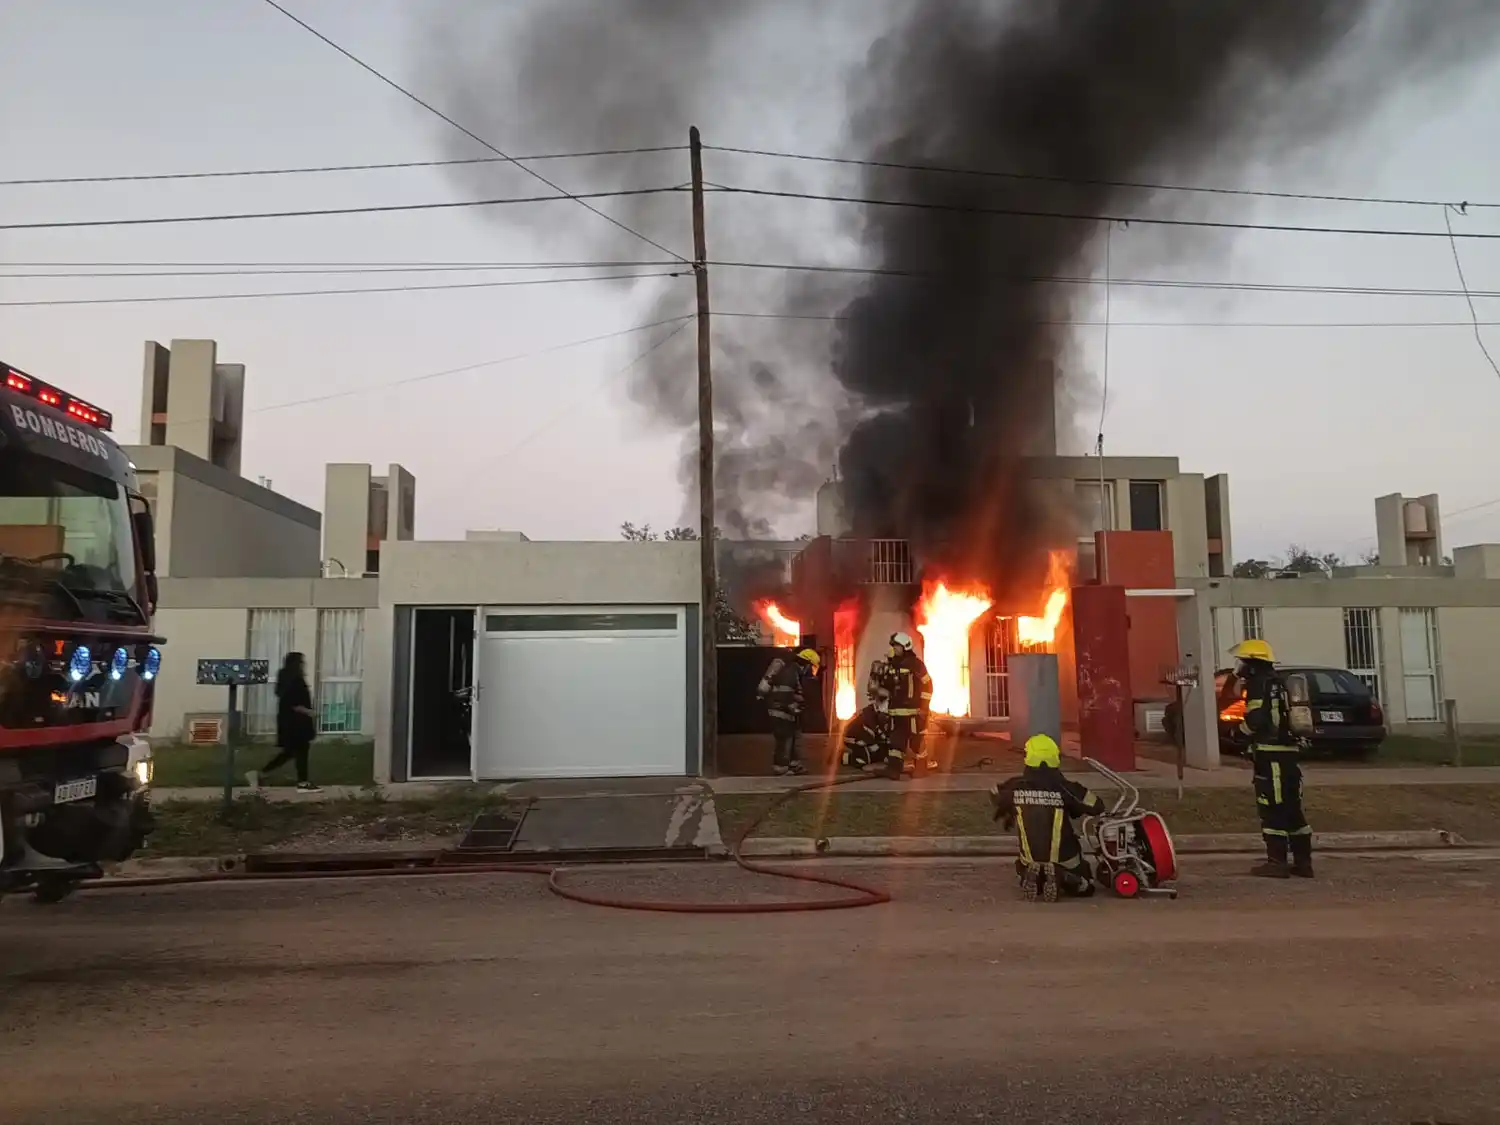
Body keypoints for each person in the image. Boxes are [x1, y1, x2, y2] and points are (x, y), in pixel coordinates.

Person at [988, 733, 1106, 901]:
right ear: (1055, 757)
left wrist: (1012, 806)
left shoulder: (1014, 787)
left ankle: (1034, 875)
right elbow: (1096, 806)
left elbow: (994, 793)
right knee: (1086, 887)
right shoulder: (1066, 789)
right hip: (1064, 856)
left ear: (1028, 757)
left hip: (1029, 857)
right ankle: (1065, 876)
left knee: (1027, 865)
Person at [1231, 639, 1313, 879]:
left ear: (1254, 664)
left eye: (1244, 662)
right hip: (1289, 756)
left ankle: (1276, 862)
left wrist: (1237, 733)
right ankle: (1303, 863)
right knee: (1293, 809)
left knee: (1271, 808)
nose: (1241, 668)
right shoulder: (1281, 683)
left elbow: (1256, 721)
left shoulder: (1259, 685)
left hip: (1270, 756)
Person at [247, 652, 321, 793]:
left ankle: (260, 774)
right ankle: (303, 783)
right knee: (300, 751)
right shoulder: (295, 679)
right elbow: (292, 701)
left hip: (288, 721)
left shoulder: (284, 677)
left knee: (291, 752)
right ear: (296, 663)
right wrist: (308, 712)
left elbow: (285, 698)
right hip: (297, 722)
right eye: (301, 662)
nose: (304, 664)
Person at [757, 648, 821, 776]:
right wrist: (794, 707)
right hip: (781, 711)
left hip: (784, 710)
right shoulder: (790, 672)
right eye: (811, 667)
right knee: (784, 738)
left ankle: (794, 764)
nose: (811, 671)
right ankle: (781, 767)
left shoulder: (793, 671)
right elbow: (784, 693)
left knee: (792, 736)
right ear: (806, 663)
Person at [881, 632, 934, 779]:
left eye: (897, 646)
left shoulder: (916, 665)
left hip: (914, 713)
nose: (894, 649)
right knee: (896, 742)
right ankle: (893, 769)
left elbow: (928, 686)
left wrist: (924, 707)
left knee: (916, 742)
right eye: (894, 646)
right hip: (896, 713)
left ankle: (921, 769)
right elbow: (890, 686)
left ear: (905, 646)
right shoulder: (893, 665)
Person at [841, 701, 892, 772]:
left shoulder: (877, 716)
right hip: (854, 738)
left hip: (866, 738)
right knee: (866, 759)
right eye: (886, 716)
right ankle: (844, 757)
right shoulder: (869, 720)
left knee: (878, 752)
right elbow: (870, 738)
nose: (887, 718)